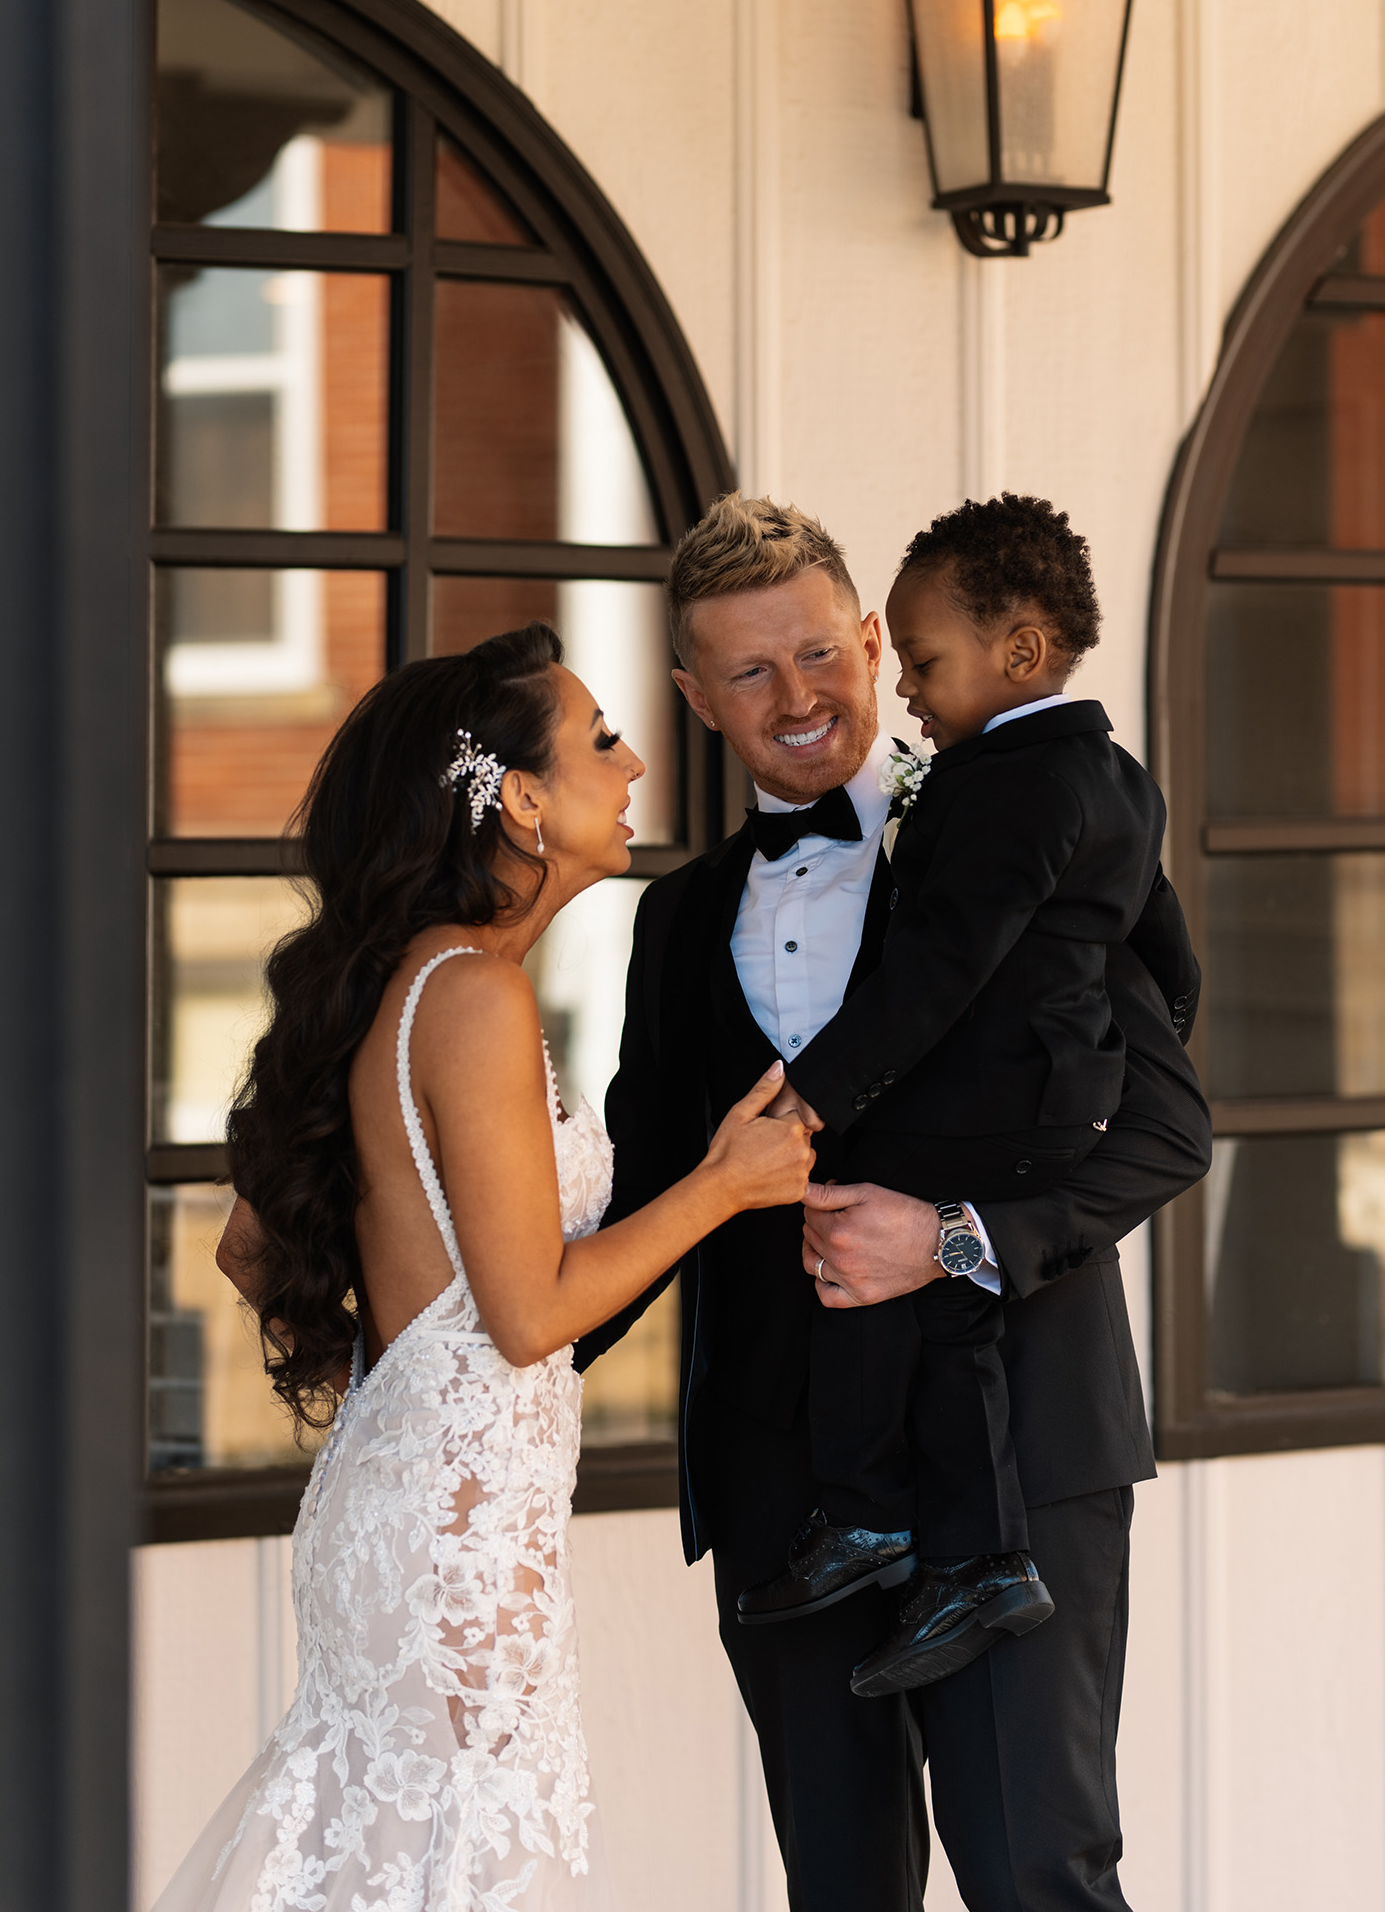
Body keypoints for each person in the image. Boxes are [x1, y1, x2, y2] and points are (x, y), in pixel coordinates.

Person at [576, 496, 1211, 1912]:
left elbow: (1168, 1126)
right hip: (783, 1480)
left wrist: (959, 1237)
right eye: (749, 672)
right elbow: (640, 1187)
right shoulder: (676, 923)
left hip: (1020, 1453)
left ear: (875, 643)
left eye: (820, 653)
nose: (795, 698)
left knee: (1036, 1875)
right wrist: (465, 1357)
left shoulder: (1019, 830)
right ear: (696, 696)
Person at [152, 622, 814, 1912]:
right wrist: (726, 1185)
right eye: (600, 743)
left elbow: (250, 1249)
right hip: (455, 1542)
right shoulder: (472, 995)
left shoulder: (412, 983)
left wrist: (406, 1398)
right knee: (463, 1864)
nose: (630, 770)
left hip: (412, 1511)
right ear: (519, 801)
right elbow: (528, 1315)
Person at [737, 495, 1171, 1702]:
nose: (913, 690)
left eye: (920, 661)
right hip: (1048, 1099)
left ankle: (904, 1529)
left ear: (1018, 653)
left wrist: (814, 1099)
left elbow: (939, 970)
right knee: (945, 1318)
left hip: (992, 1102)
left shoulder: (1000, 790)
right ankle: (942, 1548)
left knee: (874, 1227)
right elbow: (1169, 961)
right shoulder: (1120, 783)